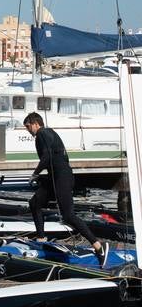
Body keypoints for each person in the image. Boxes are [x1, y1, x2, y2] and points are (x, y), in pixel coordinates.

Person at [24, 112, 109, 267]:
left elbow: (47, 156)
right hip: (56, 177)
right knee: (35, 202)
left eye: (28, 127)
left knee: (68, 215)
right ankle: (41, 238)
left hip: (62, 178)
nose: (28, 131)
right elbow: (55, 157)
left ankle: (98, 245)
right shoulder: (50, 133)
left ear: (36, 123)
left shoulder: (42, 134)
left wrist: (35, 173)